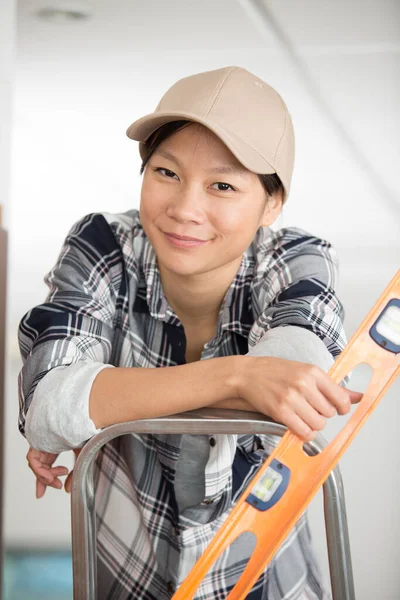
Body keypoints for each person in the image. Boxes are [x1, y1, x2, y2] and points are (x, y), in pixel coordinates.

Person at [18, 66, 361, 600]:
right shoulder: (104, 244)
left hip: (268, 582)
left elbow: (294, 390)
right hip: (127, 577)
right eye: (166, 172)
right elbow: (48, 406)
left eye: (222, 185)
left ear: (271, 204)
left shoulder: (296, 258)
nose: (184, 209)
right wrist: (241, 374)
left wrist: (104, 400)